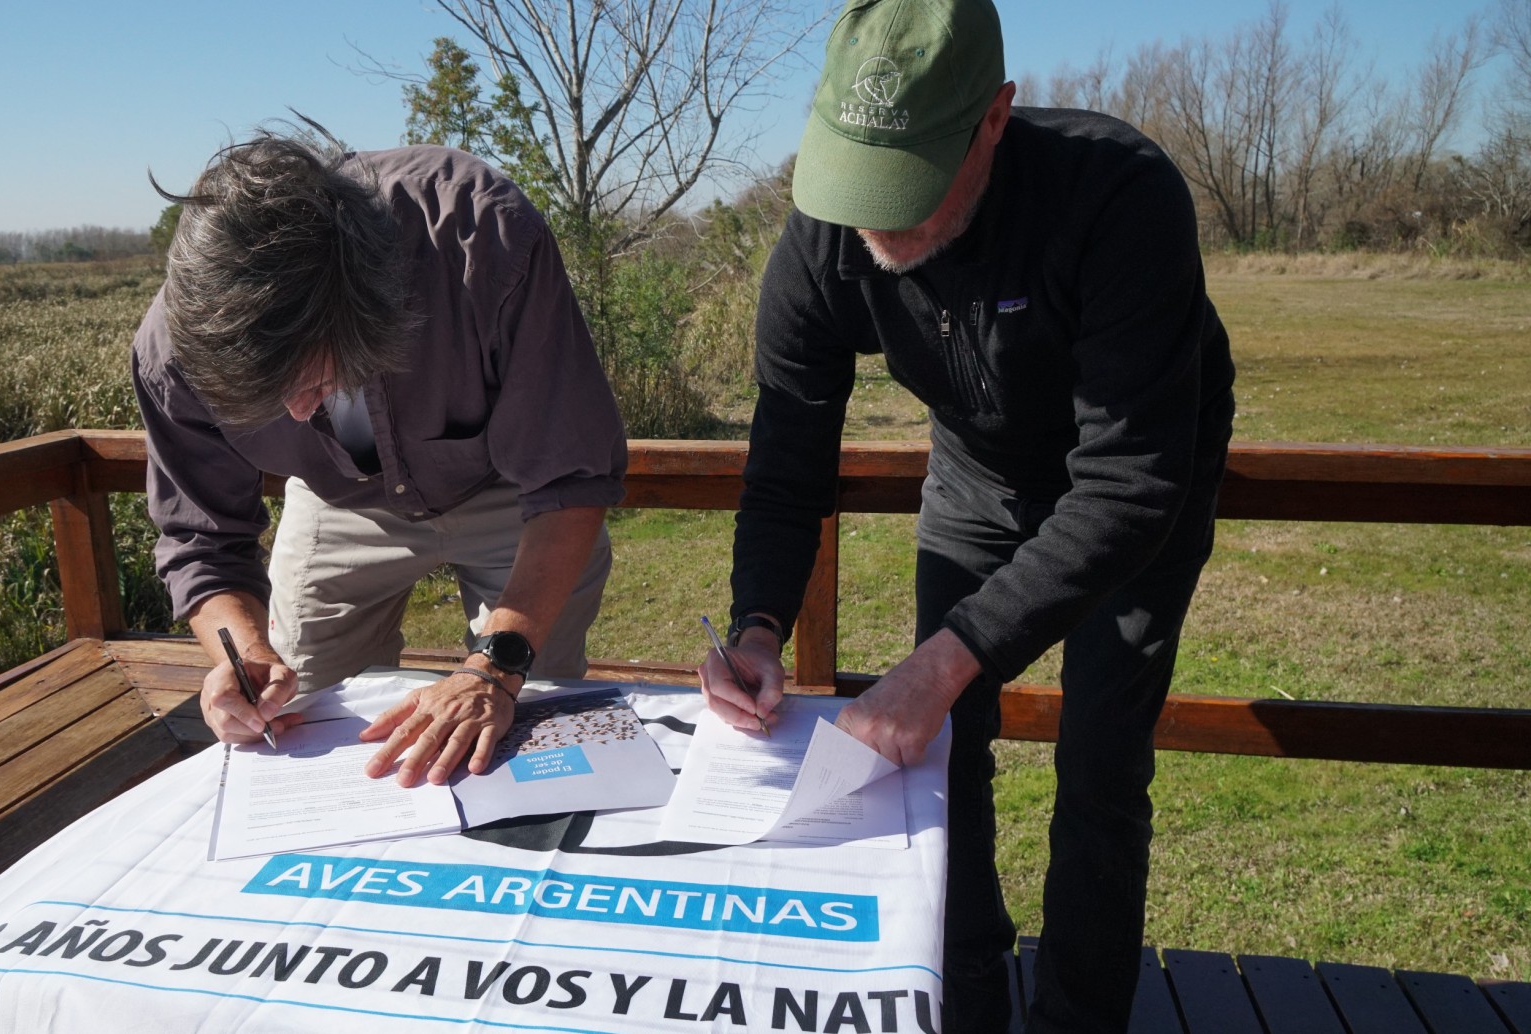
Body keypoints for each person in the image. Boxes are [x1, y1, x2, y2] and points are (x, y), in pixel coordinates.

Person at [697, 1, 1236, 1031]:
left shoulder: (1121, 196)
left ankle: (1078, 1016)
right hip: (978, 473)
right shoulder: (824, 229)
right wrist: (760, 618)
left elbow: (1129, 483)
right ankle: (964, 997)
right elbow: (787, 451)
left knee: (1100, 767)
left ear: (995, 116)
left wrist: (948, 654)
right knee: (944, 754)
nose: (877, 226)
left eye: (907, 189)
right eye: (860, 185)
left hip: (1138, 477)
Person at [133, 122, 626, 790]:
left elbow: (570, 477)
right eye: (265, 404)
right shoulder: (172, 354)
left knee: (526, 705)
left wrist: (496, 664)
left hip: (515, 491)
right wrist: (242, 653)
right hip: (336, 496)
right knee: (300, 718)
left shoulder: (480, 234)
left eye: (307, 384)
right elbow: (202, 539)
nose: (300, 415)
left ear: (362, 307)